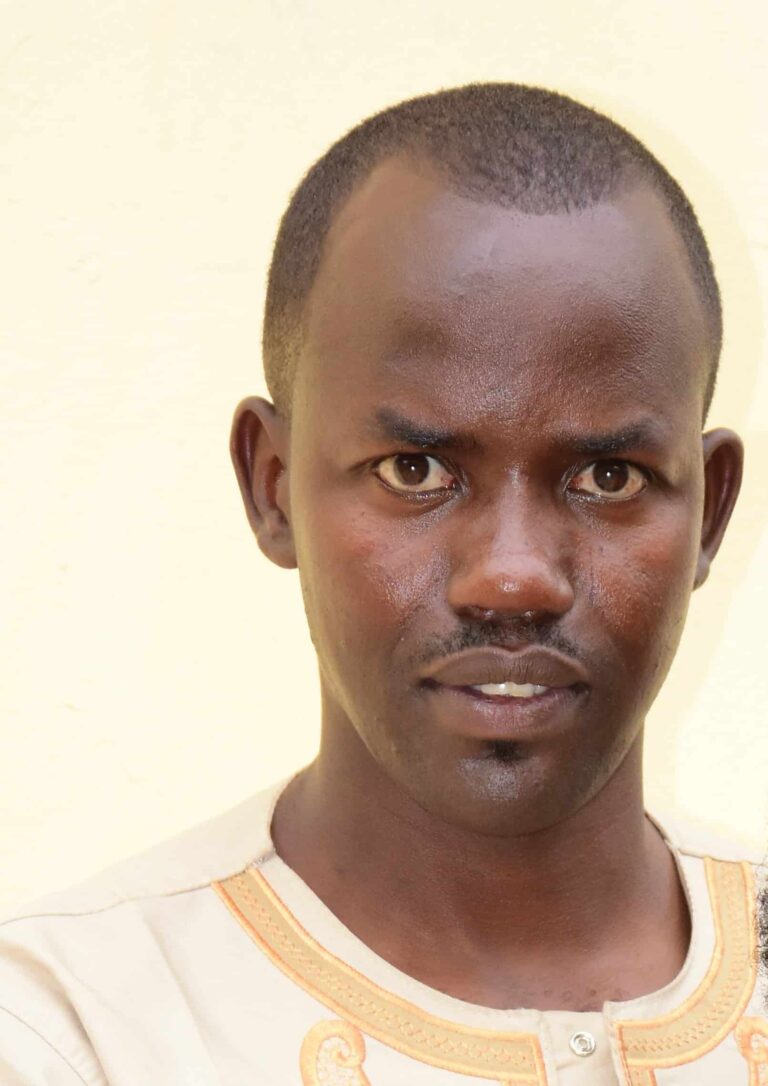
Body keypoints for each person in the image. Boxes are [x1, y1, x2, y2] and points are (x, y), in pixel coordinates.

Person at [0, 82, 764, 1085]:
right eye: (416, 471)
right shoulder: (73, 1033)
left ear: (709, 511)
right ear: (273, 487)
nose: (513, 578)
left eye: (607, 478)